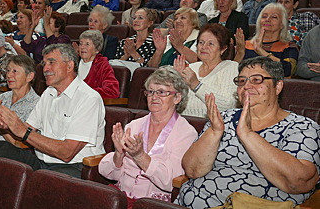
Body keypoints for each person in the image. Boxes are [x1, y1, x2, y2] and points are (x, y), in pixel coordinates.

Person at [176, 57, 320, 208]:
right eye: (242, 81)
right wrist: (215, 131)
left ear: (278, 87)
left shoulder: (302, 127)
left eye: (257, 80)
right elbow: (192, 170)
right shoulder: (223, 119)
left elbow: (298, 183)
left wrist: (247, 135)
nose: (247, 86)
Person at [0, 44, 106, 178]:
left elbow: (67, 153)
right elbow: (27, 129)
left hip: (74, 167)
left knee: (41, 179)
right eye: (44, 63)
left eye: (51, 63)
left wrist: (23, 130)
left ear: (69, 66)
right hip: (42, 162)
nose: (45, 69)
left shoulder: (88, 98)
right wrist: (7, 124)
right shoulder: (49, 93)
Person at [99, 67, 198, 206]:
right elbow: (108, 173)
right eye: (150, 92)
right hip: (120, 197)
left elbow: (171, 182)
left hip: (153, 204)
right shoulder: (134, 126)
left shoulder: (186, 133)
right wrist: (118, 154)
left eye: (161, 92)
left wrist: (140, 156)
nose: (154, 97)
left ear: (177, 97)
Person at [173, 24, 239, 118]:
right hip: (182, 124)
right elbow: (173, 104)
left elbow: (229, 105)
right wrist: (176, 84)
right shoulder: (190, 68)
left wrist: (196, 85)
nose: (204, 47)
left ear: (223, 49)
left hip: (212, 127)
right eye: (201, 42)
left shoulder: (230, 67)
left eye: (211, 44)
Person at [236, 3, 299, 78]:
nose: (267, 19)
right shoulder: (246, 44)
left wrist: (262, 52)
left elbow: (288, 70)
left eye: (274, 17)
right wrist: (240, 53)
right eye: (264, 16)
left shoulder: (289, 46)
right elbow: (232, 72)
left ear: (282, 24)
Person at [78, 30, 120, 99]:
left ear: (97, 49)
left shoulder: (102, 65)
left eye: (87, 44)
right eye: (81, 43)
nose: (82, 47)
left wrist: (83, 93)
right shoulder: (72, 62)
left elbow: (112, 91)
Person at [113, 8, 157, 74]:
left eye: (140, 18)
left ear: (150, 23)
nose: (136, 20)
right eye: (134, 18)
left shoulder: (155, 43)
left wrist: (134, 53)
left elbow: (149, 69)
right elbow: (115, 67)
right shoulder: (126, 41)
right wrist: (125, 56)